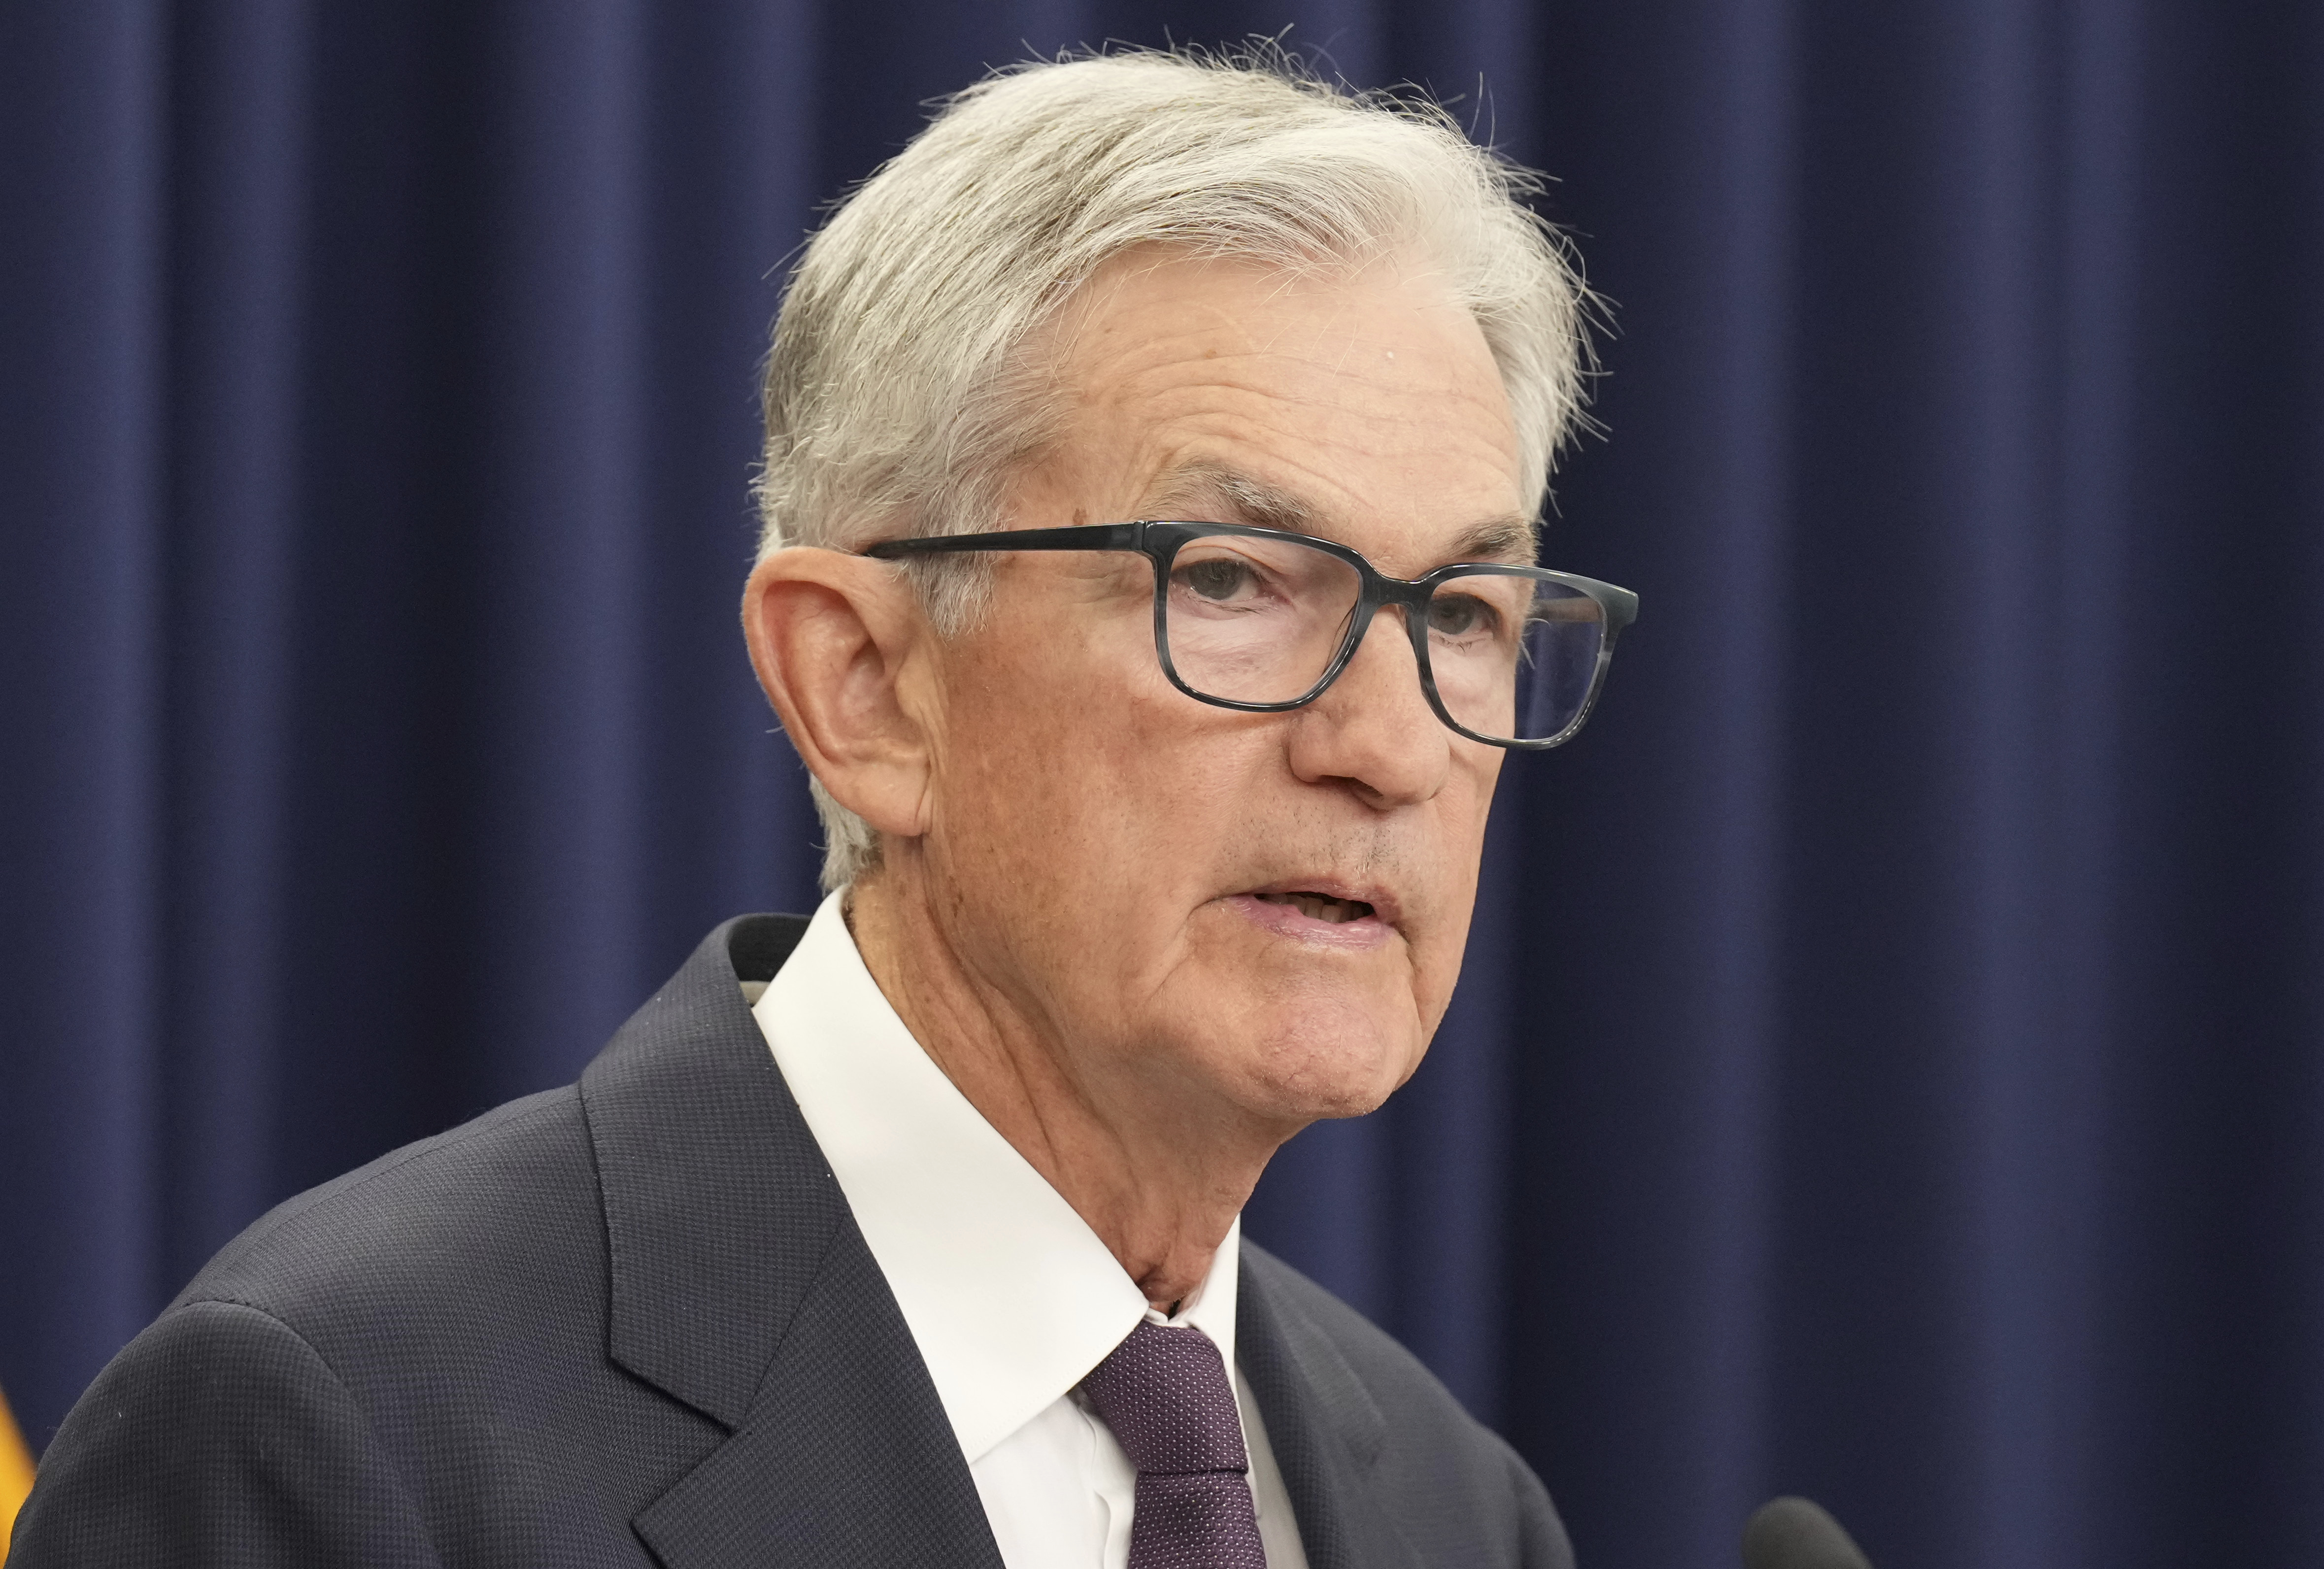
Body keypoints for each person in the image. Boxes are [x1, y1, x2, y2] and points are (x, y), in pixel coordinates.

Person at [8, 48, 1633, 1569]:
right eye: (1229, 583)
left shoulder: (1449, 1506)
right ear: (863, 687)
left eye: (1466, 615)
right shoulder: (344, 1433)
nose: (1389, 746)